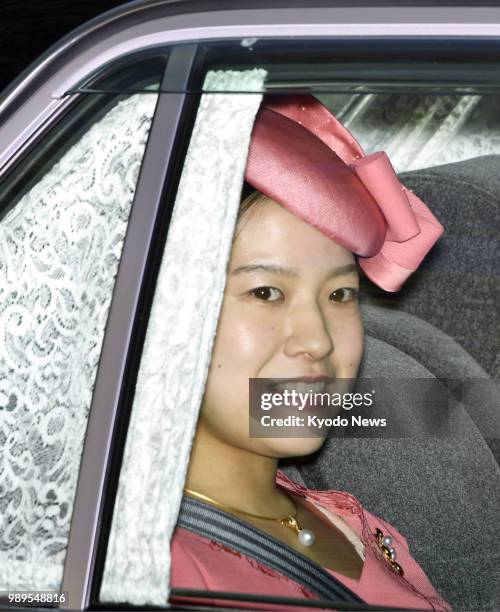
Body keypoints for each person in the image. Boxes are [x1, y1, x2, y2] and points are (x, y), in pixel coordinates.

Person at [169, 94, 452, 611]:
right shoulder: (166, 572)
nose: (318, 340)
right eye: (266, 293)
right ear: (161, 312)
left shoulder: (350, 523)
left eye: (340, 295)